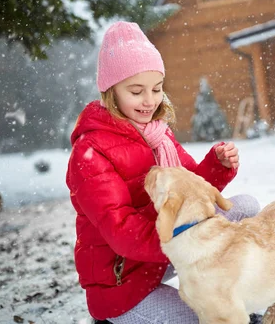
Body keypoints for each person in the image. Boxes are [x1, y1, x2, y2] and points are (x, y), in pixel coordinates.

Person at [66, 21, 260, 324]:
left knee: (246, 209)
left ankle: (229, 293)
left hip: (163, 252)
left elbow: (189, 189)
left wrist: (217, 167)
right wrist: (191, 242)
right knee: (202, 319)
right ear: (111, 92)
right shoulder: (90, 152)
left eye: (156, 89)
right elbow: (120, 232)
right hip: (122, 282)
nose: (149, 100)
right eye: (136, 91)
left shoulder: (157, 134)